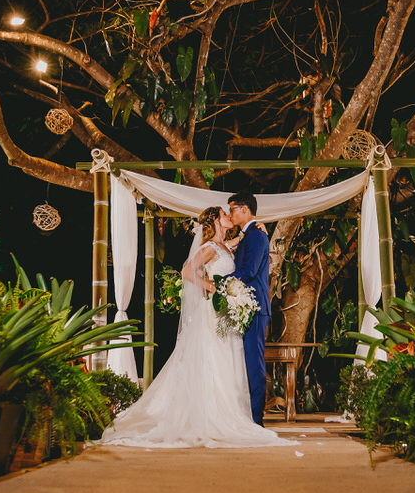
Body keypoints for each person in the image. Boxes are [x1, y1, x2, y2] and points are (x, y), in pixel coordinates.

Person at [99, 206, 290, 448]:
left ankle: (228, 414)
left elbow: (243, 241)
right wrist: (212, 287)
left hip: (227, 314)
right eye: (224, 214)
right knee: (214, 360)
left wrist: (258, 228)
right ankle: (210, 416)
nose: (229, 216)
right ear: (215, 220)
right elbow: (188, 271)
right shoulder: (209, 247)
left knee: (229, 361)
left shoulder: (224, 246)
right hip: (213, 314)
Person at [226, 191, 270, 426]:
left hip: (254, 307)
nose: (230, 214)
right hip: (243, 306)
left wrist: (219, 283)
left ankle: (256, 420)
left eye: (232, 209)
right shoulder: (248, 236)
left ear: (244, 209)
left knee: (254, 364)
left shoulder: (256, 236)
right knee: (242, 363)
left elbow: (249, 271)